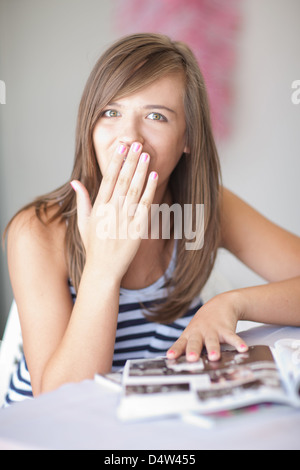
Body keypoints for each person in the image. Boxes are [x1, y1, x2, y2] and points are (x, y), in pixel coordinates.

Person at [3, 33, 300, 405]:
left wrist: (230, 304)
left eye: (156, 116)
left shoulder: (206, 209)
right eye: (111, 112)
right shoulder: (38, 231)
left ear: (187, 137)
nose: (129, 137)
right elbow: (60, 402)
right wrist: (103, 268)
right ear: (90, 124)